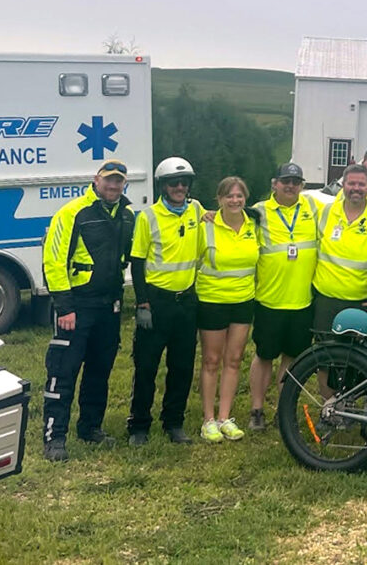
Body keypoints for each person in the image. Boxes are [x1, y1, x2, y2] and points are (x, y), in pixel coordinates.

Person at [41, 160, 136, 462]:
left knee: (100, 371)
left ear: (124, 184)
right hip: (77, 307)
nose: (113, 186)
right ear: (96, 180)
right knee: (63, 371)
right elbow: (53, 262)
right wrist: (64, 307)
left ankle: (90, 427)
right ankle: (54, 437)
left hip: (109, 306)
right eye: (108, 180)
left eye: (118, 181)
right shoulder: (72, 213)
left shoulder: (128, 214)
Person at [127, 157, 201, 446]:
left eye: (184, 183)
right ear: (163, 186)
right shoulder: (148, 217)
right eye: (174, 183)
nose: (179, 187)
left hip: (186, 302)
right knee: (146, 366)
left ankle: (174, 422)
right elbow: (137, 263)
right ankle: (138, 425)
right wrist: (142, 304)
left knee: (181, 367)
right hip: (157, 303)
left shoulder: (196, 209)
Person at [246, 162, 322, 431]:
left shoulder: (313, 209)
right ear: (274, 183)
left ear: (302, 186)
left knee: (292, 359)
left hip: (302, 301)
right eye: (285, 181)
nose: (290, 186)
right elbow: (230, 221)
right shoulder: (258, 212)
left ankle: (283, 409)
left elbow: (345, 206)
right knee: (264, 355)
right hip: (269, 300)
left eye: (296, 182)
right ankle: (256, 409)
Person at [196, 176, 260, 443]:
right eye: (229, 196)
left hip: (243, 301)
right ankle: (208, 420)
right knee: (211, 360)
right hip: (212, 300)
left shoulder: (254, 224)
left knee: (234, 360)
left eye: (239, 196)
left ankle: (225, 418)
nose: (235, 201)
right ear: (219, 199)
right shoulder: (206, 225)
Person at [312, 164, 367, 332]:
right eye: (351, 184)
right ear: (343, 185)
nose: (356, 188)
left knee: (355, 357)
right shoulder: (325, 211)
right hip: (325, 301)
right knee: (324, 353)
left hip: (361, 303)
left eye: (361, 184)